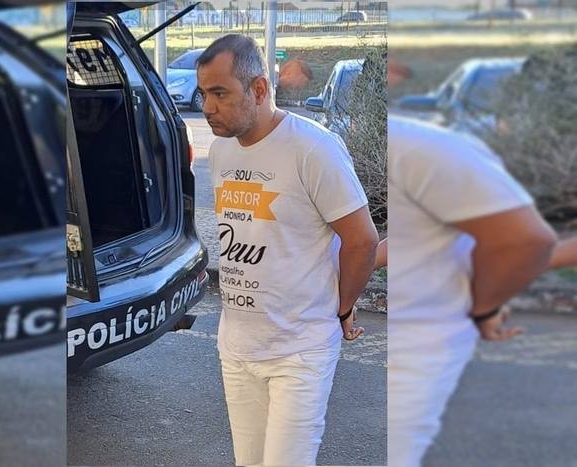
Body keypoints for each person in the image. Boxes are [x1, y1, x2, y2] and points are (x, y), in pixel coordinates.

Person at [197, 34, 379, 466]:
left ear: (259, 89)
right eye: (203, 94)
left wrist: (342, 308)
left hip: (300, 351)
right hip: (237, 346)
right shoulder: (220, 152)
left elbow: (361, 241)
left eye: (220, 93)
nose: (206, 108)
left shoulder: (313, 149)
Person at [386, 59, 558, 467]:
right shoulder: (428, 148)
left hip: (417, 345)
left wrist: (482, 305)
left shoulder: (428, 147)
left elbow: (527, 242)